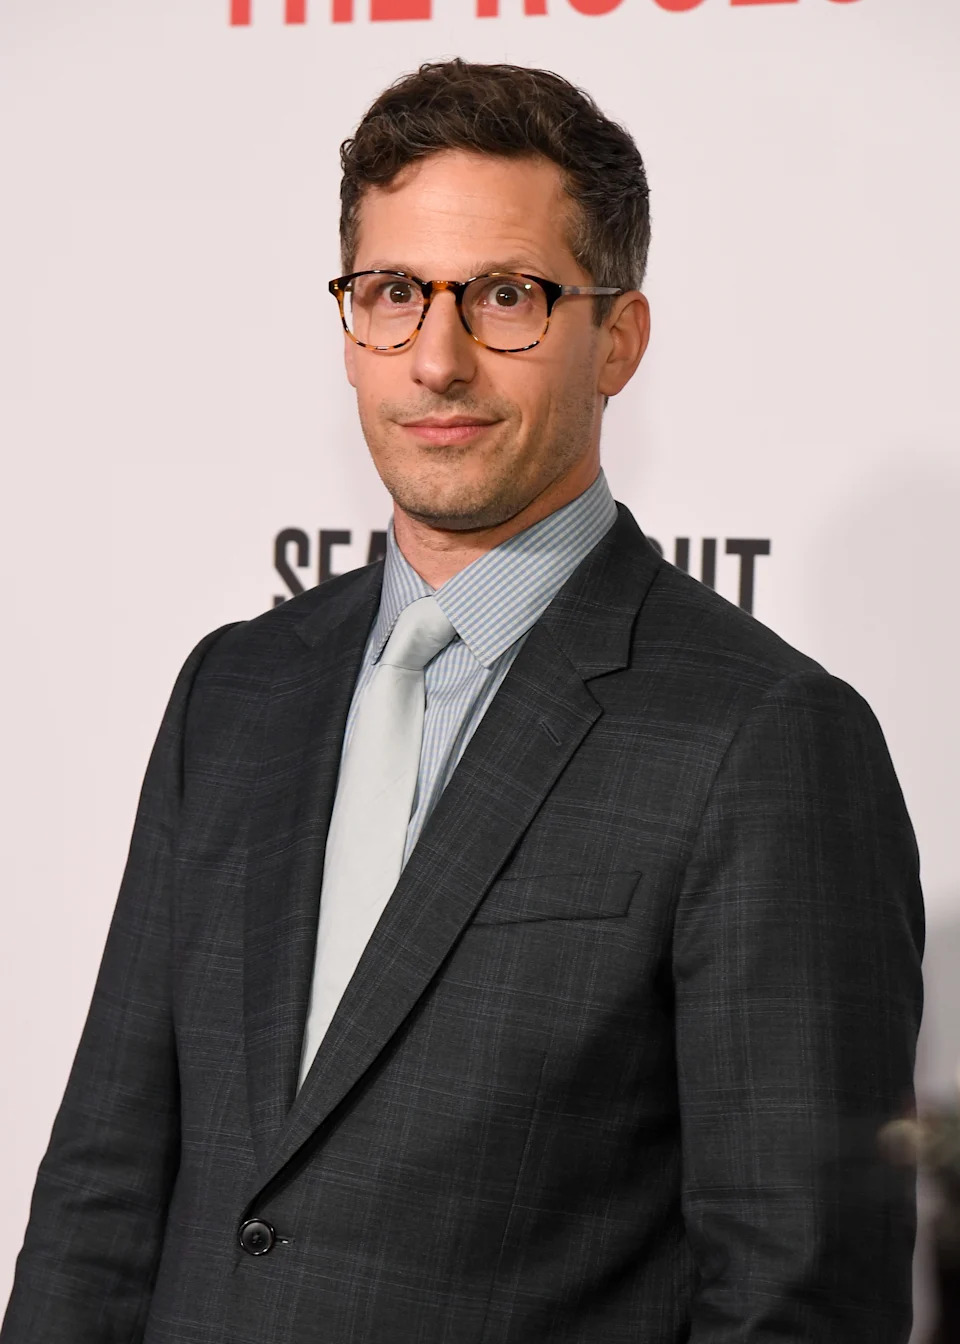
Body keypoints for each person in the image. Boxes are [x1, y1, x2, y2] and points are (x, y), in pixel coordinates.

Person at [1, 58, 924, 1344]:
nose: (437, 361)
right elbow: (100, 1197)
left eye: (505, 297)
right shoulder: (234, 690)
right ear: (349, 329)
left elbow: (797, 1295)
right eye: (393, 294)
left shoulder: (765, 740)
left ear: (619, 339)